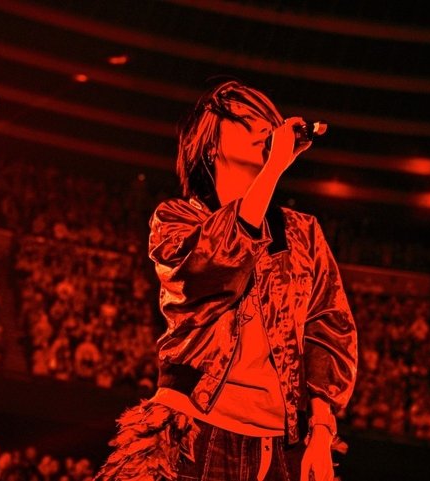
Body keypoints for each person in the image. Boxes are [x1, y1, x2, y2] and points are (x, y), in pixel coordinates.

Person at [94, 79, 357, 481]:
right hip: (197, 432)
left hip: (280, 445)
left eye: (268, 119)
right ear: (210, 143)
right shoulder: (176, 221)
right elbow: (216, 267)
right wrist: (272, 170)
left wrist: (321, 430)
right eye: (246, 118)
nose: (264, 128)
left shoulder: (303, 232)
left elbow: (329, 329)